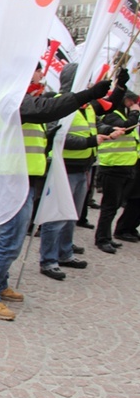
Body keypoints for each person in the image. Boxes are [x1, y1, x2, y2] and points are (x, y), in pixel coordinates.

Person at [0, 75, 112, 321]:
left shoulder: (20, 99)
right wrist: (88, 94)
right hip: (12, 178)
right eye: (36, 71)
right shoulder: (12, 99)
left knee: (9, 238)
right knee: (10, 241)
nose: (40, 76)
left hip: (22, 177)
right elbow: (48, 110)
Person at [38, 64, 122, 280]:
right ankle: (48, 259)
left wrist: (108, 131)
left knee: (71, 215)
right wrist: (90, 141)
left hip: (83, 168)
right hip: (62, 167)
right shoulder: (58, 103)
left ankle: (65, 253)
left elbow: (94, 125)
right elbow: (56, 136)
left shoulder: (86, 106)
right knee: (55, 216)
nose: (89, 84)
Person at [94, 85, 139, 253]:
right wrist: (135, 112)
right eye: (130, 101)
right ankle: (102, 239)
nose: (132, 104)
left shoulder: (121, 114)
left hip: (123, 167)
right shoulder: (112, 115)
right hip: (112, 167)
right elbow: (127, 129)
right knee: (109, 206)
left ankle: (106, 237)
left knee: (115, 204)